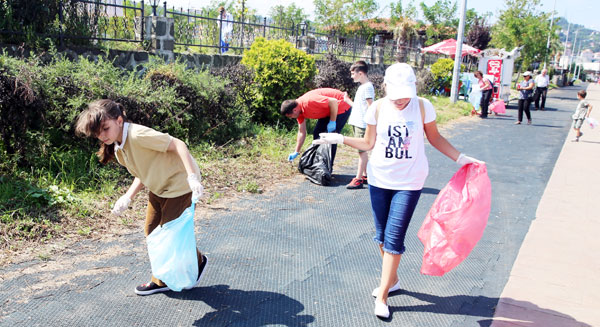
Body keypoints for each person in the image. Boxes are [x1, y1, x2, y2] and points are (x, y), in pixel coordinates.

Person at [313, 63, 482, 319]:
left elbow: (435, 138)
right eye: (397, 96)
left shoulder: (423, 106)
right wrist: (340, 139)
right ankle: (393, 281)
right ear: (386, 89)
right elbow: (368, 142)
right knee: (381, 236)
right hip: (380, 179)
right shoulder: (378, 107)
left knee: (394, 238)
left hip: (410, 182)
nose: (402, 101)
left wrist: (461, 158)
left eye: (406, 95)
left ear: (413, 88)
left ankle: (383, 295)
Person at [75, 99, 208, 296]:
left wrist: (191, 177)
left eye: (105, 128)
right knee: (152, 231)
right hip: (158, 187)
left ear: (119, 120)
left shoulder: (138, 135)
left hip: (180, 184)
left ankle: (190, 265)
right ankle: (166, 277)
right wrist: (127, 197)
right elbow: (143, 172)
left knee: (170, 235)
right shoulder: (119, 148)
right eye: (97, 132)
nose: (102, 136)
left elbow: (179, 144)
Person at [281, 88, 352, 168]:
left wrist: (332, 121)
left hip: (341, 106)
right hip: (327, 110)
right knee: (317, 134)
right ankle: (320, 164)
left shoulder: (308, 102)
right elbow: (302, 132)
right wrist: (296, 151)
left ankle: (327, 167)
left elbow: (333, 101)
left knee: (331, 138)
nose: (291, 118)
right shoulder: (298, 112)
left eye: (290, 116)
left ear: (294, 110)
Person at [343, 60, 375, 189]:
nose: (352, 76)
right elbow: (358, 107)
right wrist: (347, 100)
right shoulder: (363, 87)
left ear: (360, 73)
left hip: (362, 124)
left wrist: (372, 124)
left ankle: (358, 178)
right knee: (361, 152)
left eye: (353, 74)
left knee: (362, 152)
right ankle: (366, 175)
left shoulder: (367, 87)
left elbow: (371, 107)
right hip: (358, 123)